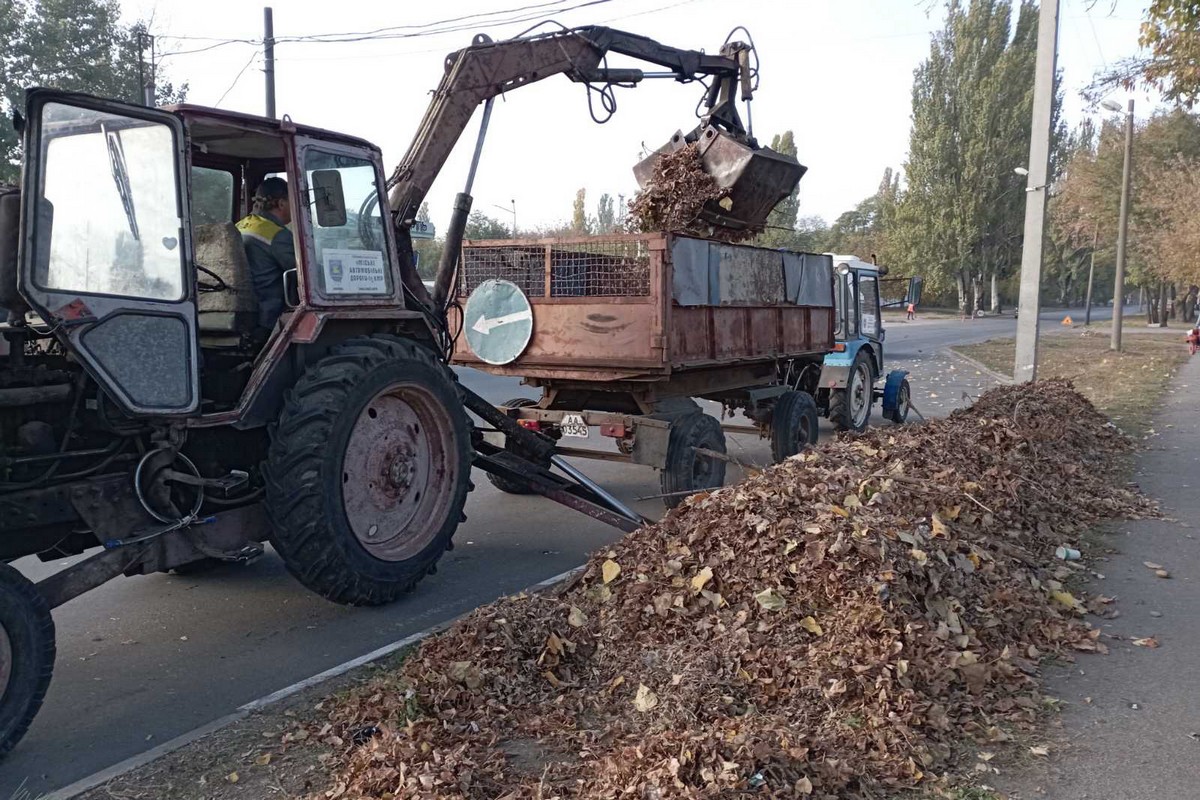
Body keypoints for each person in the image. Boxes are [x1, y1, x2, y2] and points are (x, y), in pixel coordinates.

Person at [236, 177, 295, 344]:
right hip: (268, 316)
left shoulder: (240, 225)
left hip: (246, 308)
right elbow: (303, 272)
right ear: (282, 203)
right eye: (292, 201)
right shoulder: (277, 235)